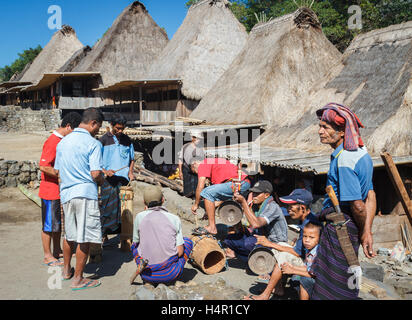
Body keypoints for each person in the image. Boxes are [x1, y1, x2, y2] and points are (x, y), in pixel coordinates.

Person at [311, 103, 377, 300]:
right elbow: (371, 195)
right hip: (351, 227)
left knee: (334, 284)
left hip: (342, 228)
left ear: (341, 132)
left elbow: (358, 204)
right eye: (320, 126)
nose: (320, 131)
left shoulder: (345, 159)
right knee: (349, 273)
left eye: (325, 127)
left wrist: (361, 228)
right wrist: (366, 230)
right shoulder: (361, 152)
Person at [54, 108, 105, 291]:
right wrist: (102, 179)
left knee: (69, 235)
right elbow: (95, 173)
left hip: (67, 194)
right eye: (98, 127)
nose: (98, 130)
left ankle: (66, 271)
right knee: (84, 238)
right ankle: (78, 279)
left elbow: (58, 171)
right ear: (93, 123)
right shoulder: (93, 144)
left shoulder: (63, 143)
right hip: (85, 193)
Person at [243, 188, 318, 300]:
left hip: (312, 263)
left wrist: (269, 243)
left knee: (282, 254)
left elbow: (297, 253)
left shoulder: (310, 223)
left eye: (291, 207)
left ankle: (265, 295)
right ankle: (278, 288)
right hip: (307, 257)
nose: (288, 210)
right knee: (279, 247)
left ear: (302, 208)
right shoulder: (308, 218)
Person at [39, 112, 82, 267]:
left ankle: (56, 250)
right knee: (49, 225)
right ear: (69, 126)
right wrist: (60, 173)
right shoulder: (52, 141)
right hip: (50, 190)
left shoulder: (61, 141)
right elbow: (43, 165)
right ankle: (47, 255)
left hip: (58, 191)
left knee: (57, 224)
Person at [131, 186, 193, 284]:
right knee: (188, 242)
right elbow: (180, 252)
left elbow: (136, 242)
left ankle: (147, 273)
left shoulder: (139, 217)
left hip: (147, 274)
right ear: (163, 200)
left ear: (144, 202)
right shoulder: (174, 218)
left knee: (134, 246)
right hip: (170, 274)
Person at [223, 180, 288, 264]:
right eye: (253, 193)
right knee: (229, 240)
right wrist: (237, 207)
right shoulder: (256, 206)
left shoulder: (273, 207)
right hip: (260, 238)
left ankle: (264, 263)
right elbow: (246, 224)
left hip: (274, 243)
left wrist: (244, 203)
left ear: (266, 195)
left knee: (248, 243)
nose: (254, 196)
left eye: (257, 194)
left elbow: (256, 224)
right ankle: (252, 260)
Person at [99, 114, 135, 243]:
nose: (120, 131)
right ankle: (103, 235)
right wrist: (105, 171)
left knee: (124, 208)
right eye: (118, 128)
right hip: (108, 181)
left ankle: (123, 236)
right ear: (111, 126)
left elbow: (131, 159)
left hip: (123, 180)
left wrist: (130, 172)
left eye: (122, 128)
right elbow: (96, 162)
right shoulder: (103, 140)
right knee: (107, 208)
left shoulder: (127, 140)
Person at [191, 158, 251, 236]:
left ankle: (212, 227)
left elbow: (200, 186)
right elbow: (218, 199)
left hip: (238, 183)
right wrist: (210, 210)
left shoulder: (204, 163)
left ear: (194, 164)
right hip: (243, 183)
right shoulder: (216, 164)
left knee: (206, 192)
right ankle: (239, 232)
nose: (198, 174)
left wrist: (196, 204)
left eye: (196, 172)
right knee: (210, 194)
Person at [279, 223, 321, 300]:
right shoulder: (310, 250)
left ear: (318, 240)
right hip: (314, 277)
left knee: (305, 280)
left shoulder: (317, 253)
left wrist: (292, 270)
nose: (307, 240)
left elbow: (313, 275)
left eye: (311, 237)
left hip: (320, 282)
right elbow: (308, 268)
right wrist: (293, 267)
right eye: (305, 236)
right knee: (295, 278)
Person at [178, 130, 205, 198]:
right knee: (187, 187)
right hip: (186, 170)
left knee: (197, 186)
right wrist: (180, 171)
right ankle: (187, 199)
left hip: (197, 171)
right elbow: (180, 159)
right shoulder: (185, 147)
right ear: (193, 138)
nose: (199, 140)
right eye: (197, 138)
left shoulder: (201, 148)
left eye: (199, 139)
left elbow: (203, 160)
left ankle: (196, 198)